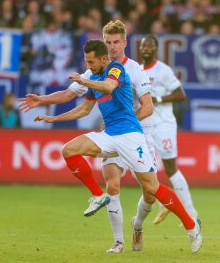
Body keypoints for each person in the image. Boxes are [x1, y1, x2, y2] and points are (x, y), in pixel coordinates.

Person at [34, 39, 202, 253]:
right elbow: (84, 110)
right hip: (109, 134)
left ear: (103, 59)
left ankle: (191, 226)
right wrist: (54, 119)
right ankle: (98, 196)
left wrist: (84, 82)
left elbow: (109, 86)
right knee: (69, 150)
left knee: (152, 188)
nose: (88, 66)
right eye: (86, 62)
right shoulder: (93, 77)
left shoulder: (116, 68)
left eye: (91, 62)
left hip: (131, 135)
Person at [19, 20, 154, 252]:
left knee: (150, 193)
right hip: (112, 133)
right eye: (108, 42)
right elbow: (69, 94)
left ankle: (139, 224)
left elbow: (147, 107)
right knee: (112, 185)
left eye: (116, 42)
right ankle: (118, 242)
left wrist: (123, 125)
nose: (112, 47)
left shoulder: (134, 69)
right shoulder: (95, 71)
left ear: (124, 43)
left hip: (134, 135)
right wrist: (42, 100)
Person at [139, 35, 198, 225]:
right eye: (143, 45)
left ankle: (191, 213)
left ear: (155, 49)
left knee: (171, 168)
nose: (146, 48)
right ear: (140, 49)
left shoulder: (163, 70)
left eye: (150, 45)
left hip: (163, 124)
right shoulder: (137, 71)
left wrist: (159, 99)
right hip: (145, 126)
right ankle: (164, 203)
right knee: (148, 169)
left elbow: (181, 95)